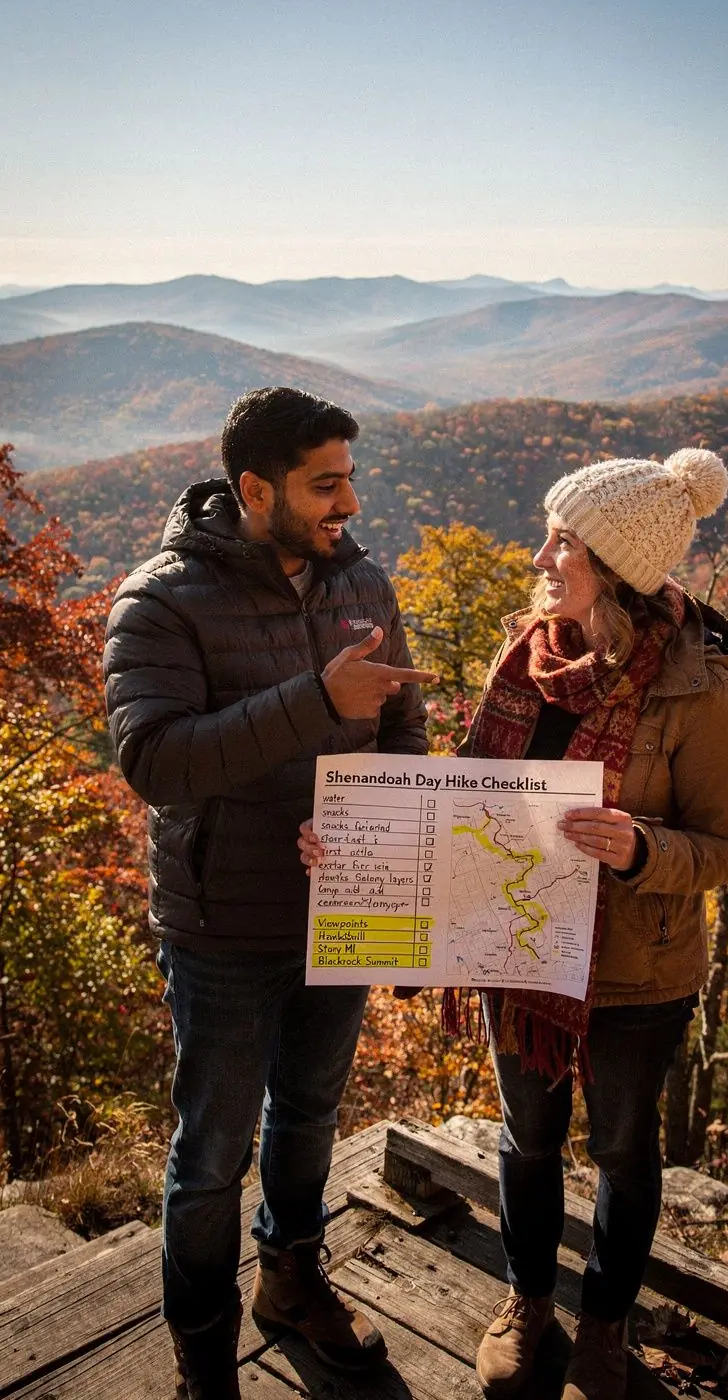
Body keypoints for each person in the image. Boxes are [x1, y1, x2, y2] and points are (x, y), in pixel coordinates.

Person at [299, 445, 728, 1400]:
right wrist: (360, 841)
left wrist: (639, 848)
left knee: (623, 1153)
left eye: (562, 544)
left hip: (634, 973)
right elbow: (466, 800)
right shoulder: (524, 660)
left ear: (616, 570)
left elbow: (723, 850)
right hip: (519, 949)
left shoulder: (697, 690)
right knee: (528, 1137)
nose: (539, 558)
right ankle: (529, 1300)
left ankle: (605, 1328)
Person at [103, 386, 435, 1400]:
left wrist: (384, 843)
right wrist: (315, 699)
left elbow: (404, 732)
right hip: (225, 927)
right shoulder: (159, 601)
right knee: (212, 1154)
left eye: (350, 479)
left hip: (345, 912)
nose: (351, 504)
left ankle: (291, 1283)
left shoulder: (363, 585)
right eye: (326, 485)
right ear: (256, 489)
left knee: (310, 1114)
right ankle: (204, 1355)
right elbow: (155, 761)